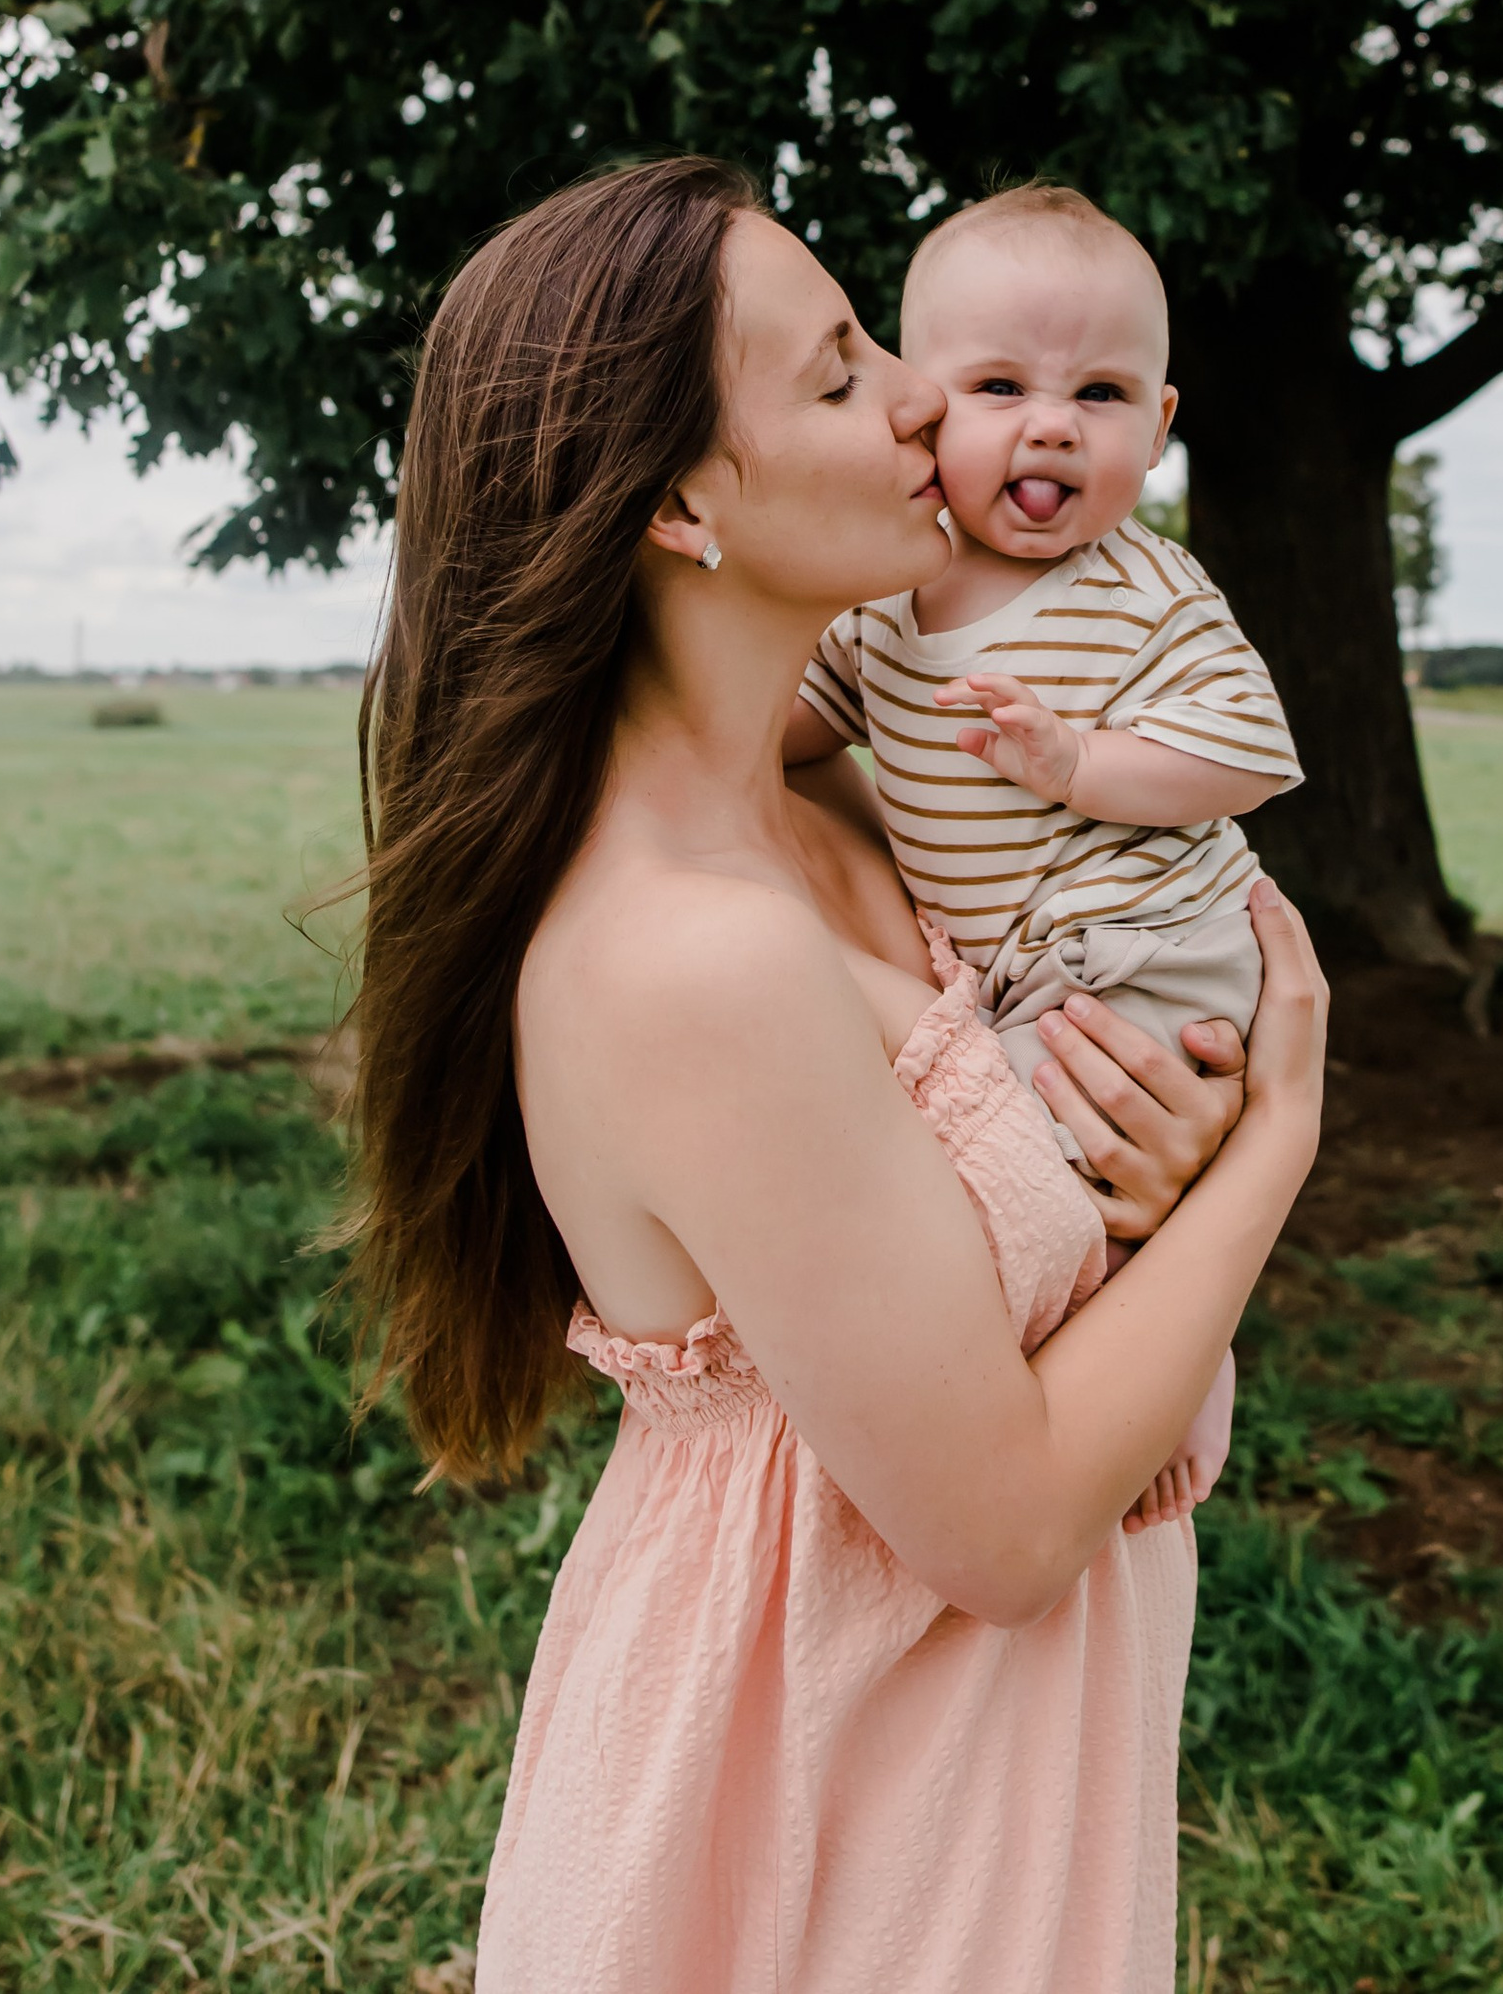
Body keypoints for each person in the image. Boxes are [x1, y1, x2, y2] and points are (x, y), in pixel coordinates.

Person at [338, 155, 1327, 1994]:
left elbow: (1028, 1291)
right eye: (843, 368)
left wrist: (1152, 1176)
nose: (924, 401)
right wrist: (1274, 1143)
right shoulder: (691, 954)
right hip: (844, 1837)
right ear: (681, 506)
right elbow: (1011, 1527)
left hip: (988, 1768)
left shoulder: (853, 817)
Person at [781, 177, 1303, 1521]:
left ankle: (1167, 1377)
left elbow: (1251, 750)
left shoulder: (1147, 589)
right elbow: (800, 723)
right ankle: (1096, 1380)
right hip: (1017, 963)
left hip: (1145, 938)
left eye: (1106, 395)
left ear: (1163, 424)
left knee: (1058, 1175)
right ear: (924, 406)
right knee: (1032, 1162)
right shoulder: (886, 603)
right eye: (1001, 386)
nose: (1055, 427)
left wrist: (1079, 762)